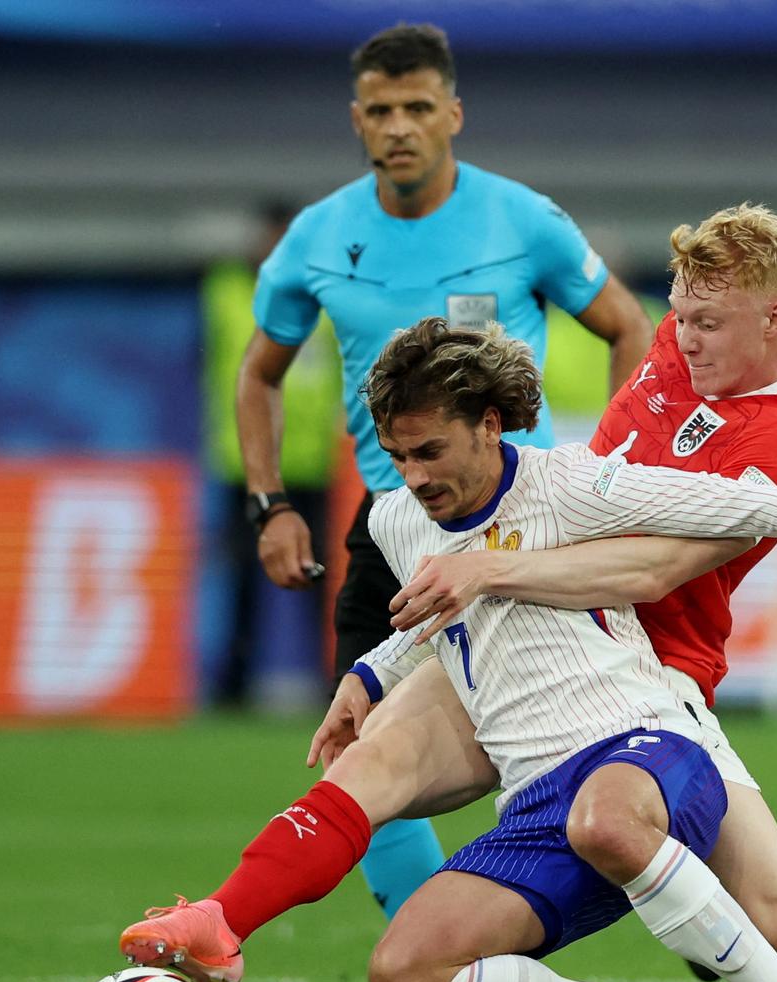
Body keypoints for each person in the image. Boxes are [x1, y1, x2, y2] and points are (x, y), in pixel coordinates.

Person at [123, 205, 777, 982]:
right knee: (368, 765)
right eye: (681, 317)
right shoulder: (665, 355)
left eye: (710, 322)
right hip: (522, 643)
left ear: (776, 318)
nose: (685, 338)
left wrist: (493, 571)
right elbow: (538, 523)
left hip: (651, 679)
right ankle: (219, 921)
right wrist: (379, 666)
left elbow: (652, 571)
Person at [235, 22, 652, 919]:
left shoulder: (523, 220)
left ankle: (692, 891)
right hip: (392, 518)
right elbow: (257, 375)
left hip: (516, 522)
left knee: (584, 736)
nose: (399, 128)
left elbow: (628, 327)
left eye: (418, 108)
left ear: (452, 113)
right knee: (353, 741)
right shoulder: (318, 236)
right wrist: (270, 503)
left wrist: (609, 474)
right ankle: (439, 952)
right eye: (381, 111)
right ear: (357, 119)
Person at [200, 202, 339, 707]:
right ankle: (232, 684)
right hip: (249, 466)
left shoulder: (323, 303)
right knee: (243, 578)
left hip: (311, 462)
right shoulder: (228, 292)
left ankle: (334, 680)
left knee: (321, 580)